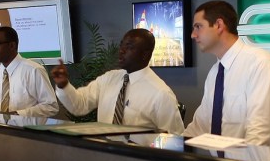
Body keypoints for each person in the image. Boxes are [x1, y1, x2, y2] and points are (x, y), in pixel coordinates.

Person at [185, 0, 270, 161]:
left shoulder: (260, 62)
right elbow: (200, 126)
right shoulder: (215, 72)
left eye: (198, 27)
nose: (193, 35)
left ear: (219, 25)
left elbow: (259, 132)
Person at [51, 28, 185, 134]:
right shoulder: (109, 78)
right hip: (103, 153)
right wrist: (64, 85)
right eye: (121, 45)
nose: (121, 51)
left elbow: (174, 140)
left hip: (137, 158)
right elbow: (80, 105)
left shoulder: (161, 93)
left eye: (129, 47)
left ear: (145, 54)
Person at [0, 26, 59, 117]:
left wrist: (19, 114)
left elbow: (51, 107)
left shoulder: (34, 70)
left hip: (26, 126)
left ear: (12, 46)